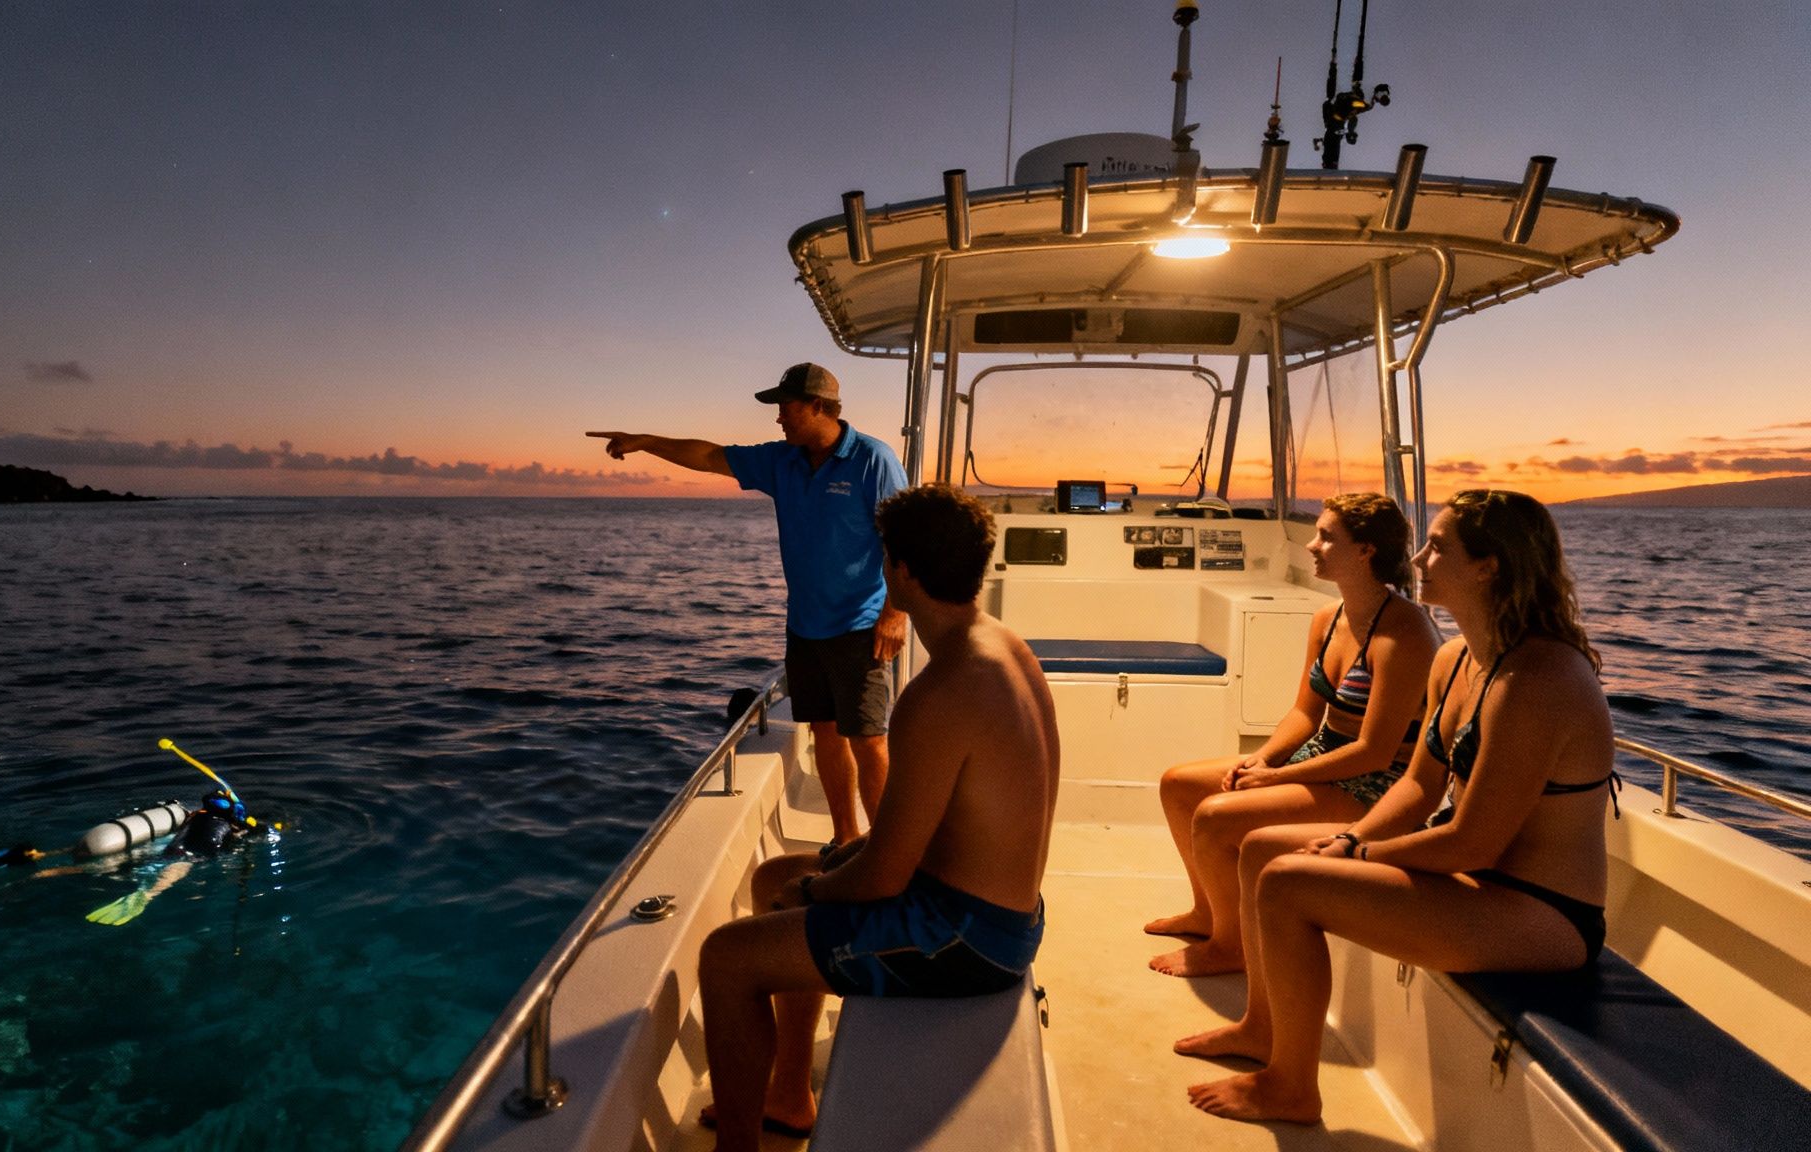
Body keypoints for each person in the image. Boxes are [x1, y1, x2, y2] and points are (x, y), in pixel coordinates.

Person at [1177, 489, 1619, 1125]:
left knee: (1288, 882)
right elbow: (1416, 787)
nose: (1417, 556)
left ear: (1489, 566)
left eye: (1438, 546)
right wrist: (1353, 836)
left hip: (1541, 914)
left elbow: (1472, 844)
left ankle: (1291, 1087)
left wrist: (1358, 848)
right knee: (1263, 848)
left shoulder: (1540, 681)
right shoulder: (1457, 658)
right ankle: (1260, 1027)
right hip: (1475, 880)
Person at [693, 484, 1058, 1152]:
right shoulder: (1002, 645)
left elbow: (886, 877)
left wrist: (813, 893)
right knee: (775, 873)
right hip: (1004, 914)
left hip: (968, 940)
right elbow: (912, 844)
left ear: (901, 572)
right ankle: (788, 1093)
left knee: (726, 958)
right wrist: (813, 883)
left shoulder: (941, 691)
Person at [588, 363, 907, 845]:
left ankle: (889, 852)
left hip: (860, 626)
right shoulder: (784, 461)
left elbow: (904, 539)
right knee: (824, 733)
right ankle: (846, 839)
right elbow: (711, 455)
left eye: (786, 408)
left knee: (868, 739)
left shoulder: (873, 460)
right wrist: (646, 440)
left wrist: (895, 613)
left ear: (817, 406)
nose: (779, 419)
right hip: (805, 627)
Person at [1145, 493, 1439, 976]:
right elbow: (1305, 712)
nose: (1311, 544)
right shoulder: (1330, 618)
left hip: (1375, 786)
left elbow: (1373, 752)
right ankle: (1207, 913)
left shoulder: (1405, 633)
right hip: (1324, 756)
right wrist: (1263, 761)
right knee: (1179, 784)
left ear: (1365, 551)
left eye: (1326, 536)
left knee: (1216, 817)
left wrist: (1280, 778)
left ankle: (1230, 946)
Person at [85, 790, 266, 925]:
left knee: (133, 866)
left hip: (169, 850)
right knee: (177, 868)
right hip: (189, 855)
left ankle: (65, 870)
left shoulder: (195, 817)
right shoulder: (231, 828)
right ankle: (147, 895)